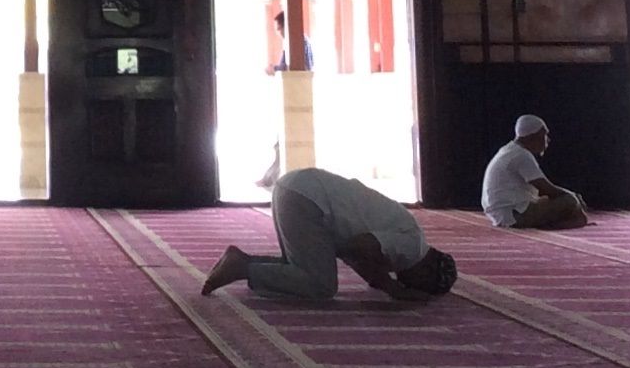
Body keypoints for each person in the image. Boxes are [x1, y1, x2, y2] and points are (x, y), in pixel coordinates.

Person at [201, 165, 459, 303]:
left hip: (297, 190)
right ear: (427, 269)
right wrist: (391, 287)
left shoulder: (410, 237)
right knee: (321, 285)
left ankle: (242, 262)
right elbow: (360, 247)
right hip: (308, 200)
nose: (408, 284)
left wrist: (382, 282)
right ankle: (244, 268)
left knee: (305, 266)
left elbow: (360, 251)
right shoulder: (412, 247)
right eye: (418, 284)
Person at [482, 114, 590, 229]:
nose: (547, 140)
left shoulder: (509, 150)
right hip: (514, 216)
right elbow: (547, 189)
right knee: (570, 200)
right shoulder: (521, 155)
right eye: (544, 135)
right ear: (533, 136)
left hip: (504, 213)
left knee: (556, 199)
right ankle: (555, 226)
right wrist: (573, 196)